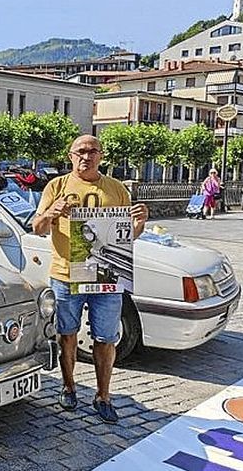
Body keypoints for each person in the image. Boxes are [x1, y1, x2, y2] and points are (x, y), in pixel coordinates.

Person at [31, 135, 148, 424]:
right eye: (80, 151)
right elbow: (38, 228)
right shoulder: (56, 186)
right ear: (70, 156)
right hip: (66, 274)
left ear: (101, 155)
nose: (87, 156)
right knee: (67, 334)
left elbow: (126, 237)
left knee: (106, 338)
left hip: (107, 275)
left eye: (93, 151)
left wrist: (140, 224)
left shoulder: (117, 189)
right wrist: (50, 212)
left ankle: (103, 396)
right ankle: (69, 386)